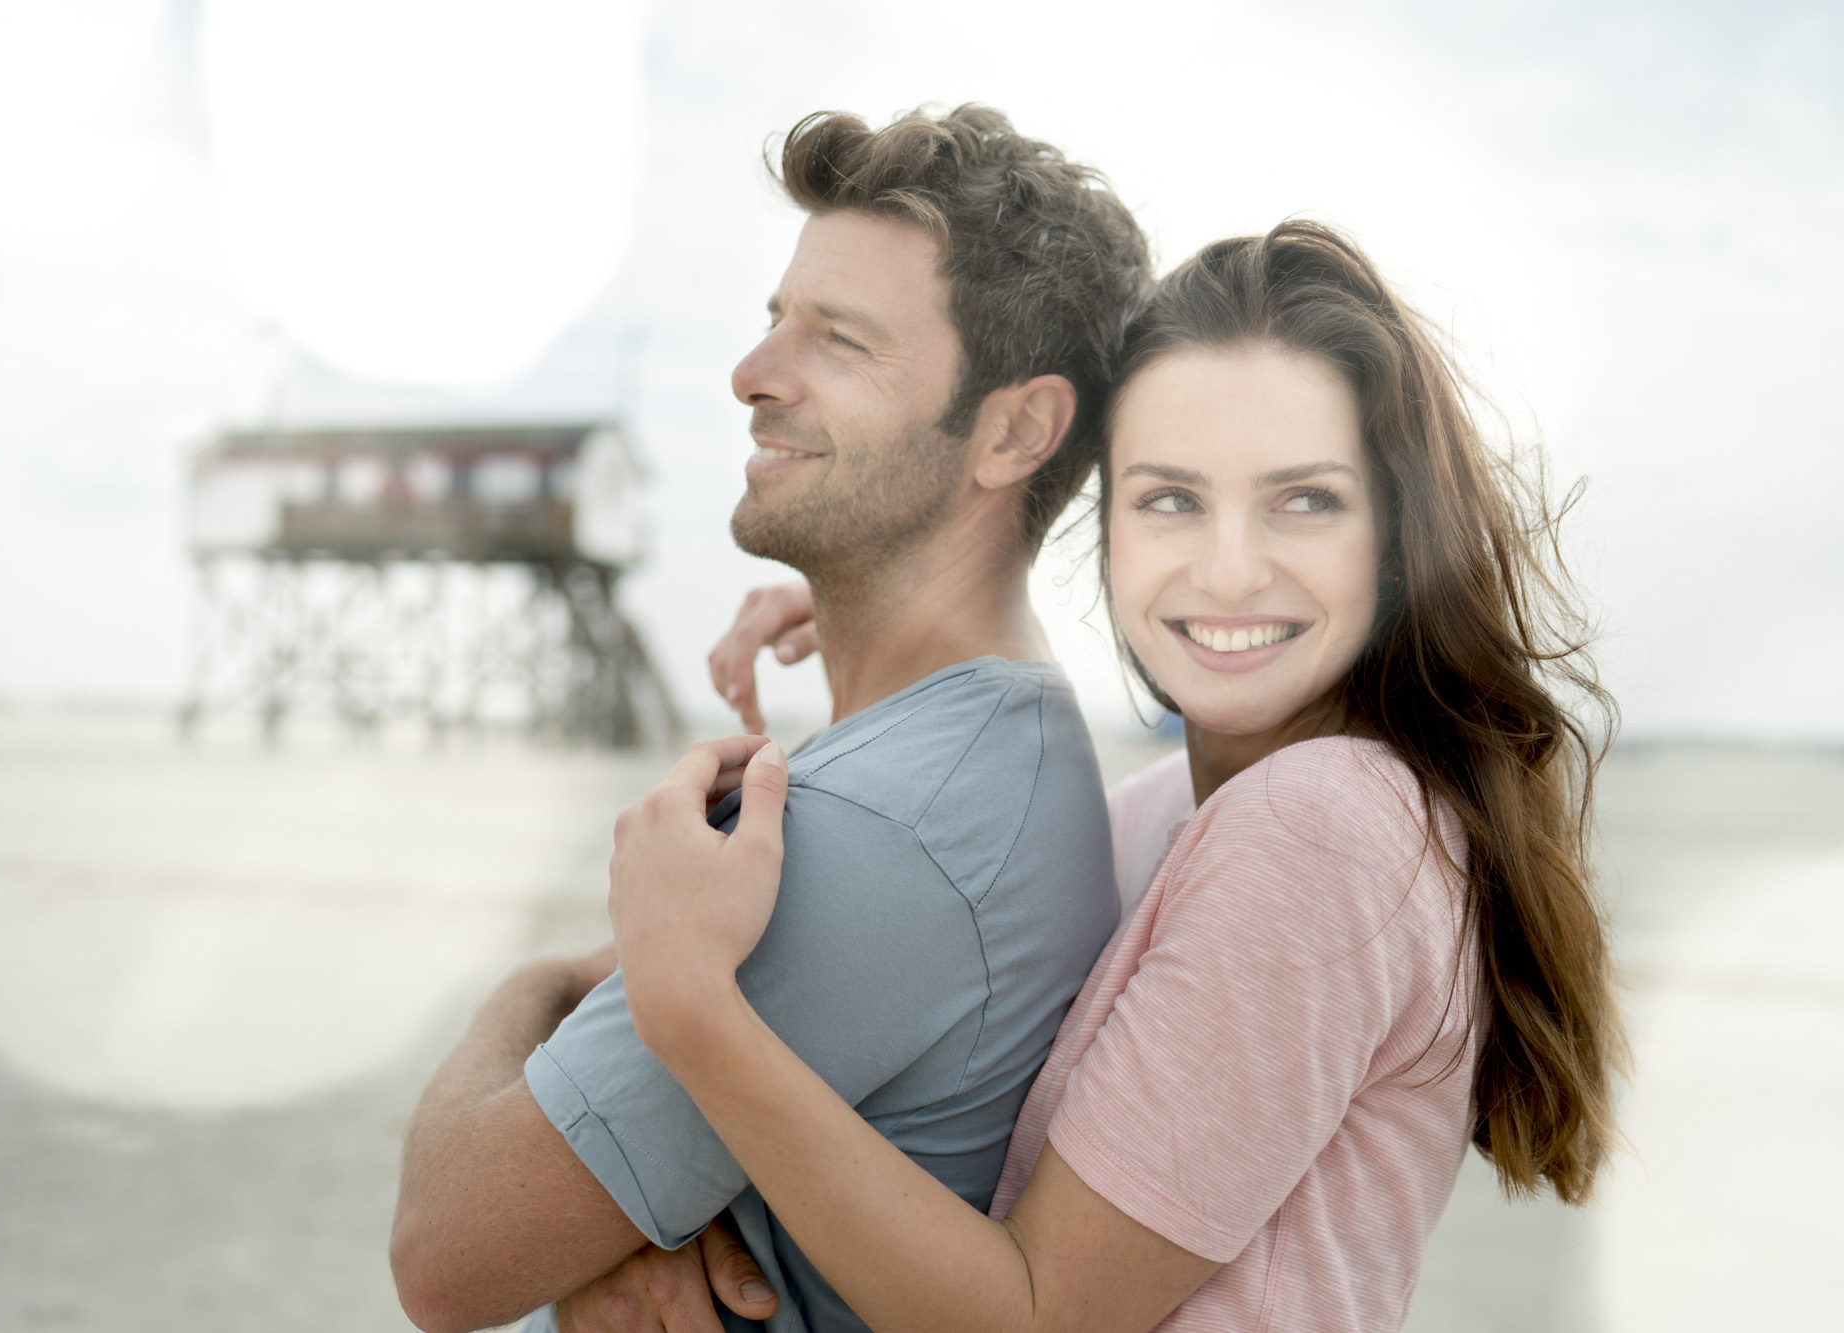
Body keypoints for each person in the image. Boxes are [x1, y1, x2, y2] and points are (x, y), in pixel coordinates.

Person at [597, 220, 1626, 1331]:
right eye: (1169, 498)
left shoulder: (1317, 828)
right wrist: (871, 633)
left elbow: (1034, 1314)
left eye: (1302, 500)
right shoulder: (1185, 815)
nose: (1226, 568)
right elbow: (910, 974)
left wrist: (694, 1021)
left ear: (1395, 540)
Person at [388, 104, 1153, 1333]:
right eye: (772, 321)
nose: (752, 376)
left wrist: (528, 987)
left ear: (1013, 430)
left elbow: (443, 1252)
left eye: (838, 341)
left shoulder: (868, 827)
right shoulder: (996, 748)